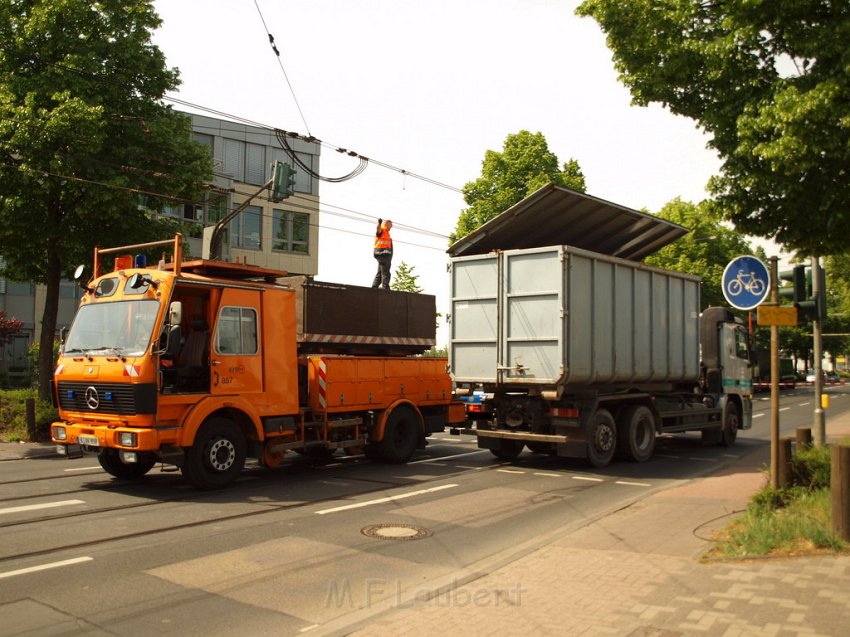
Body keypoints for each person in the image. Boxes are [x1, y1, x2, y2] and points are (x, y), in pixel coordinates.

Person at [372, 218, 393, 289]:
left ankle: (374, 287)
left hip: (384, 254)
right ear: (386, 223)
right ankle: (385, 287)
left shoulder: (387, 233)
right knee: (386, 272)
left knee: (380, 273)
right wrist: (379, 223)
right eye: (391, 224)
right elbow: (378, 230)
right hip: (382, 254)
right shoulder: (382, 230)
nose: (392, 226)